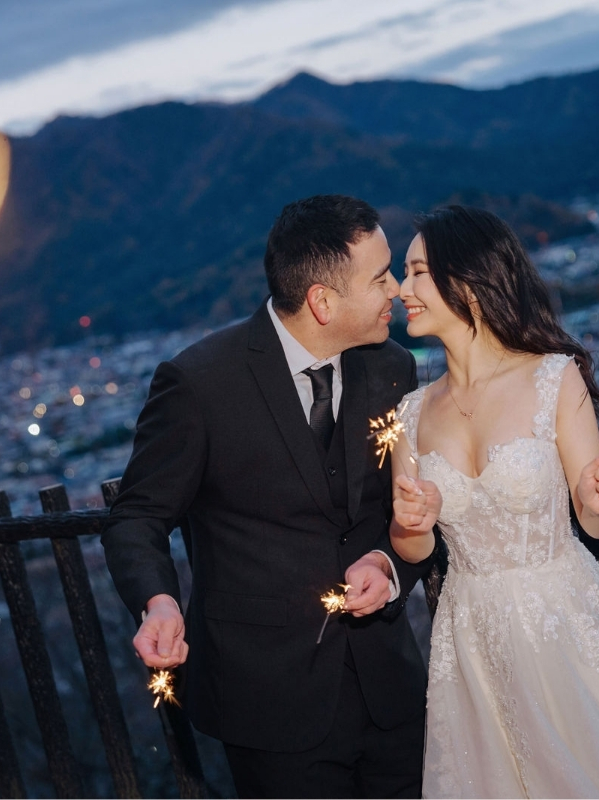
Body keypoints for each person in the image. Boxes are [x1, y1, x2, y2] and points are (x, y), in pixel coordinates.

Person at [102, 195, 433, 798]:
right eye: (379, 277)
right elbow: (138, 515)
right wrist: (158, 601)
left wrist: (388, 564)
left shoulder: (394, 368)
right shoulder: (199, 383)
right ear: (322, 301)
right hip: (268, 704)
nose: (395, 290)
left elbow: (405, 510)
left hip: (393, 690)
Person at [389, 206, 599, 798]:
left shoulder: (554, 377)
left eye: (418, 272)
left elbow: (595, 522)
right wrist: (411, 523)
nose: (404, 289)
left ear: (469, 283)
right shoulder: (407, 415)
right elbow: (413, 545)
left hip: (568, 621)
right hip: (471, 637)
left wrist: (596, 496)